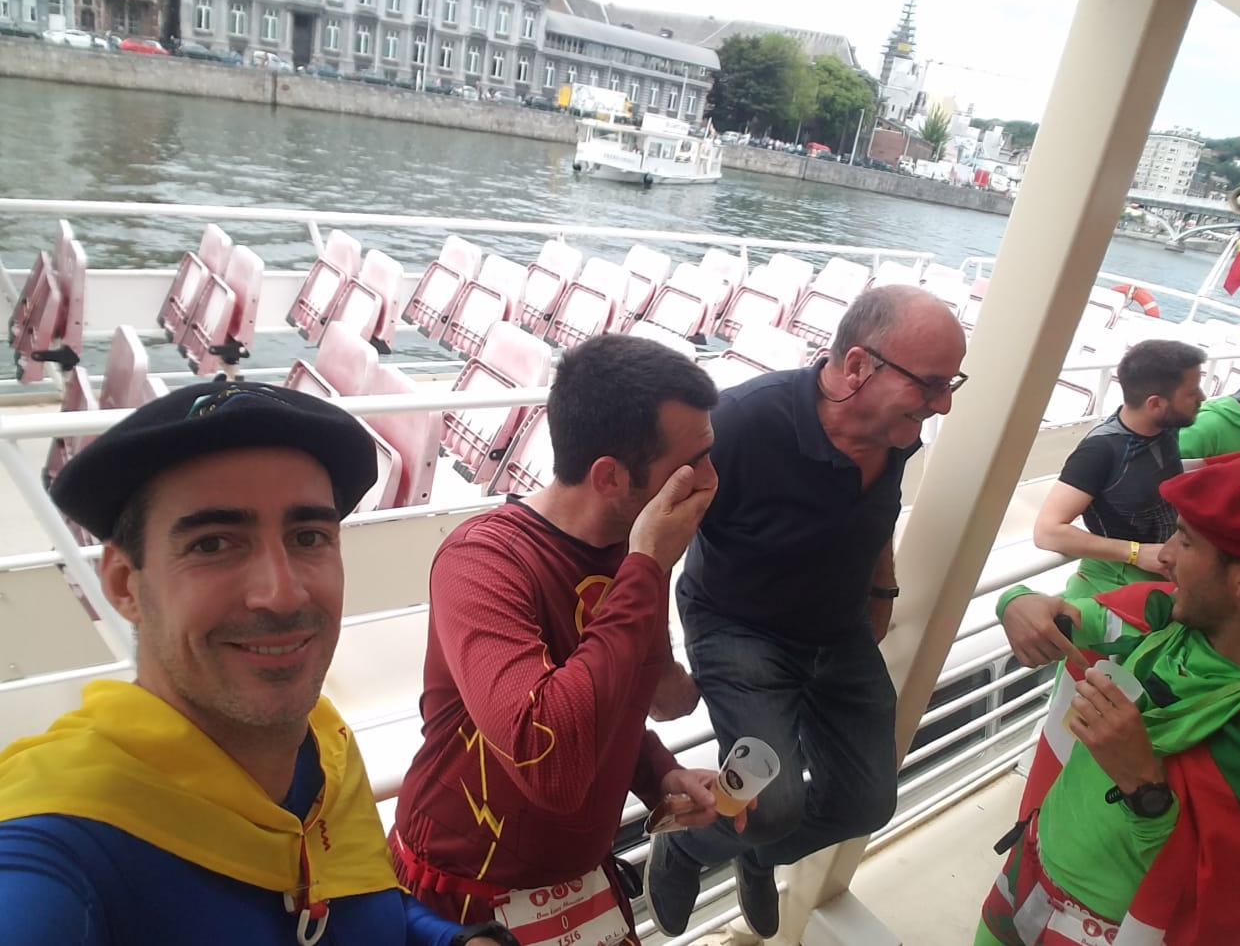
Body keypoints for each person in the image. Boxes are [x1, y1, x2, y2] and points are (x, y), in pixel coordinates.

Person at [0, 381, 513, 946]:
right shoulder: (59, 845)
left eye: (308, 536)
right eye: (213, 544)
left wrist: (452, 940)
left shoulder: (323, 748)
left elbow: (358, 907)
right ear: (124, 585)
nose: (283, 594)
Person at [644, 286, 969, 939]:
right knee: (771, 805)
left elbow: (874, 512)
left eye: (951, 383)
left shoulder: (896, 430)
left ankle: (757, 856)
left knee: (866, 802)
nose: (944, 404)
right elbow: (648, 543)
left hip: (839, 630)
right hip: (739, 629)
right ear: (857, 366)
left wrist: (881, 589)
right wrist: (656, 665)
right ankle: (686, 846)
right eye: (932, 384)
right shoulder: (740, 426)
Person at [391, 334, 732, 942]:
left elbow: (624, 699)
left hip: (578, 877)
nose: (711, 479)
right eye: (692, 465)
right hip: (465, 891)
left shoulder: (634, 548)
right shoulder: (484, 560)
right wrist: (647, 569)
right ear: (610, 477)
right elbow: (550, 760)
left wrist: (660, 773)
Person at [975, 444, 1240, 946]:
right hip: (1028, 865)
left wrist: (1142, 783)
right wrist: (1016, 601)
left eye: (1184, 541)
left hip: (1101, 930)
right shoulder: (1164, 616)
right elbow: (1068, 614)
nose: (1162, 555)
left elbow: (1223, 891)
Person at [1034, 339, 1206, 600]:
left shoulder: (1166, 427)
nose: (1202, 397)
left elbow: (1154, 471)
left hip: (1170, 573)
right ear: (1155, 404)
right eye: (1192, 393)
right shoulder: (1100, 450)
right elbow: (1047, 531)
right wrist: (1136, 553)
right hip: (1117, 583)